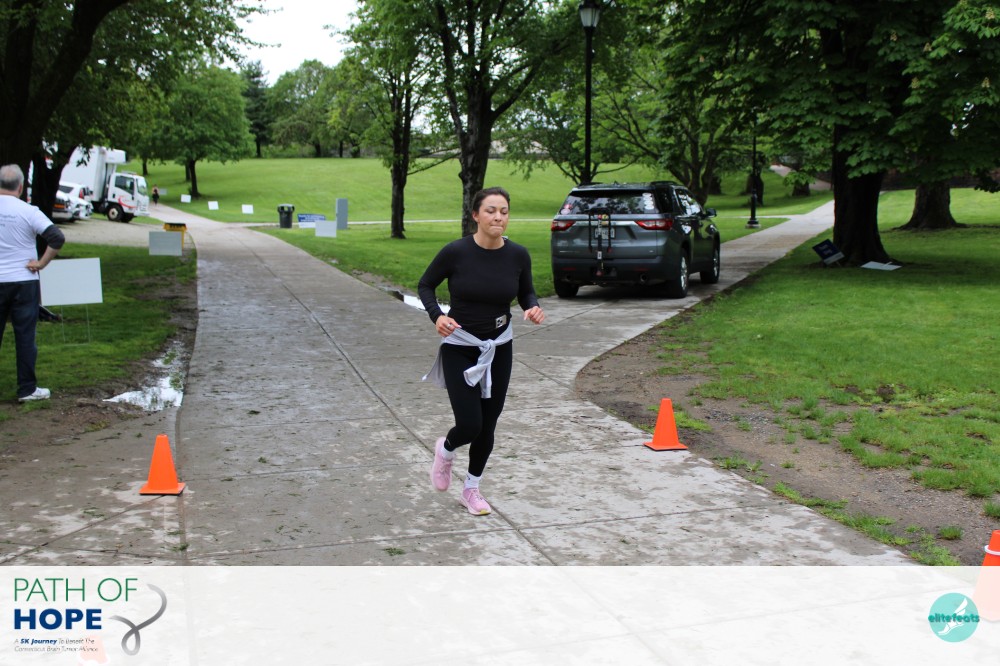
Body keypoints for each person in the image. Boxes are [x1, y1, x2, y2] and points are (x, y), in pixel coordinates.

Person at [419, 186, 545, 515]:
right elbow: (425, 285)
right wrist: (437, 316)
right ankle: (446, 450)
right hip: (460, 347)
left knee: (488, 425)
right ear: (475, 215)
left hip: (499, 347)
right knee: (470, 424)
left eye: (504, 211)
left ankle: (471, 489)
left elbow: (526, 292)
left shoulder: (518, 255)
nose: (498, 217)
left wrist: (532, 307)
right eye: (490, 210)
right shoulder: (456, 252)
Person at [0, 164, 66, 401]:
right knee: (25, 336)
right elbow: (56, 237)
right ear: (21, 187)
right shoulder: (29, 211)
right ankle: (27, 389)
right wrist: (41, 263)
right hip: (24, 281)